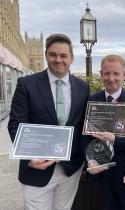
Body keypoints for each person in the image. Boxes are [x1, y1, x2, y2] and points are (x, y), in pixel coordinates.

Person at [8, 33, 89, 210]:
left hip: (70, 168)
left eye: (63, 55)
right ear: (46, 56)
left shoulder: (83, 87)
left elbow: (84, 126)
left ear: (72, 58)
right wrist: (30, 156)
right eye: (53, 55)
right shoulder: (26, 84)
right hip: (37, 168)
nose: (58, 59)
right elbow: (15, 124)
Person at [86, 54, 125, 210]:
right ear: (101, 74)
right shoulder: (92, 100)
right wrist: (89, 161)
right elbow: (84, 137)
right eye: (107, 73)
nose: (111, 78)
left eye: (116, 73)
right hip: (99, 174)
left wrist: (115, 140)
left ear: (124, 74)